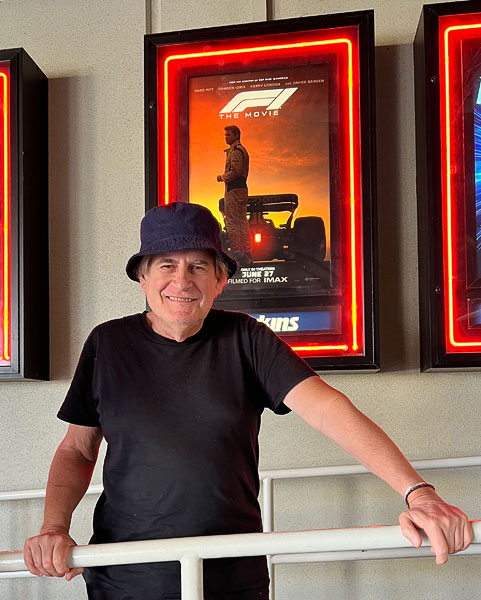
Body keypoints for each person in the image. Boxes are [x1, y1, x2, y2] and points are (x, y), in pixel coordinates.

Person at [24, 202, 473, 600]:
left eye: (199, 266)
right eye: (166, 265)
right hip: (124, 577)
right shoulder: (107, 343)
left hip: (233, 574)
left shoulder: (247, 338)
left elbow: (328, 409)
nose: (182, 280)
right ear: (142, 276)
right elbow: (77, 450)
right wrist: (53, 528)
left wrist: (418, 494)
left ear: (220, 279)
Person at [216, 125, 252, 264]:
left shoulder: (236, 151)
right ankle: (245, 251)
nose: (226, 137)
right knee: (241, 220)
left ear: (236, 135)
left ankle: (238, 253)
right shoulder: (239, 150)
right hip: (240, 189)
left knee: (232, 221)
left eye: (228, 135)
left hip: (234, 189)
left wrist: (222, 177)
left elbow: (235, 172)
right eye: (225, 135)